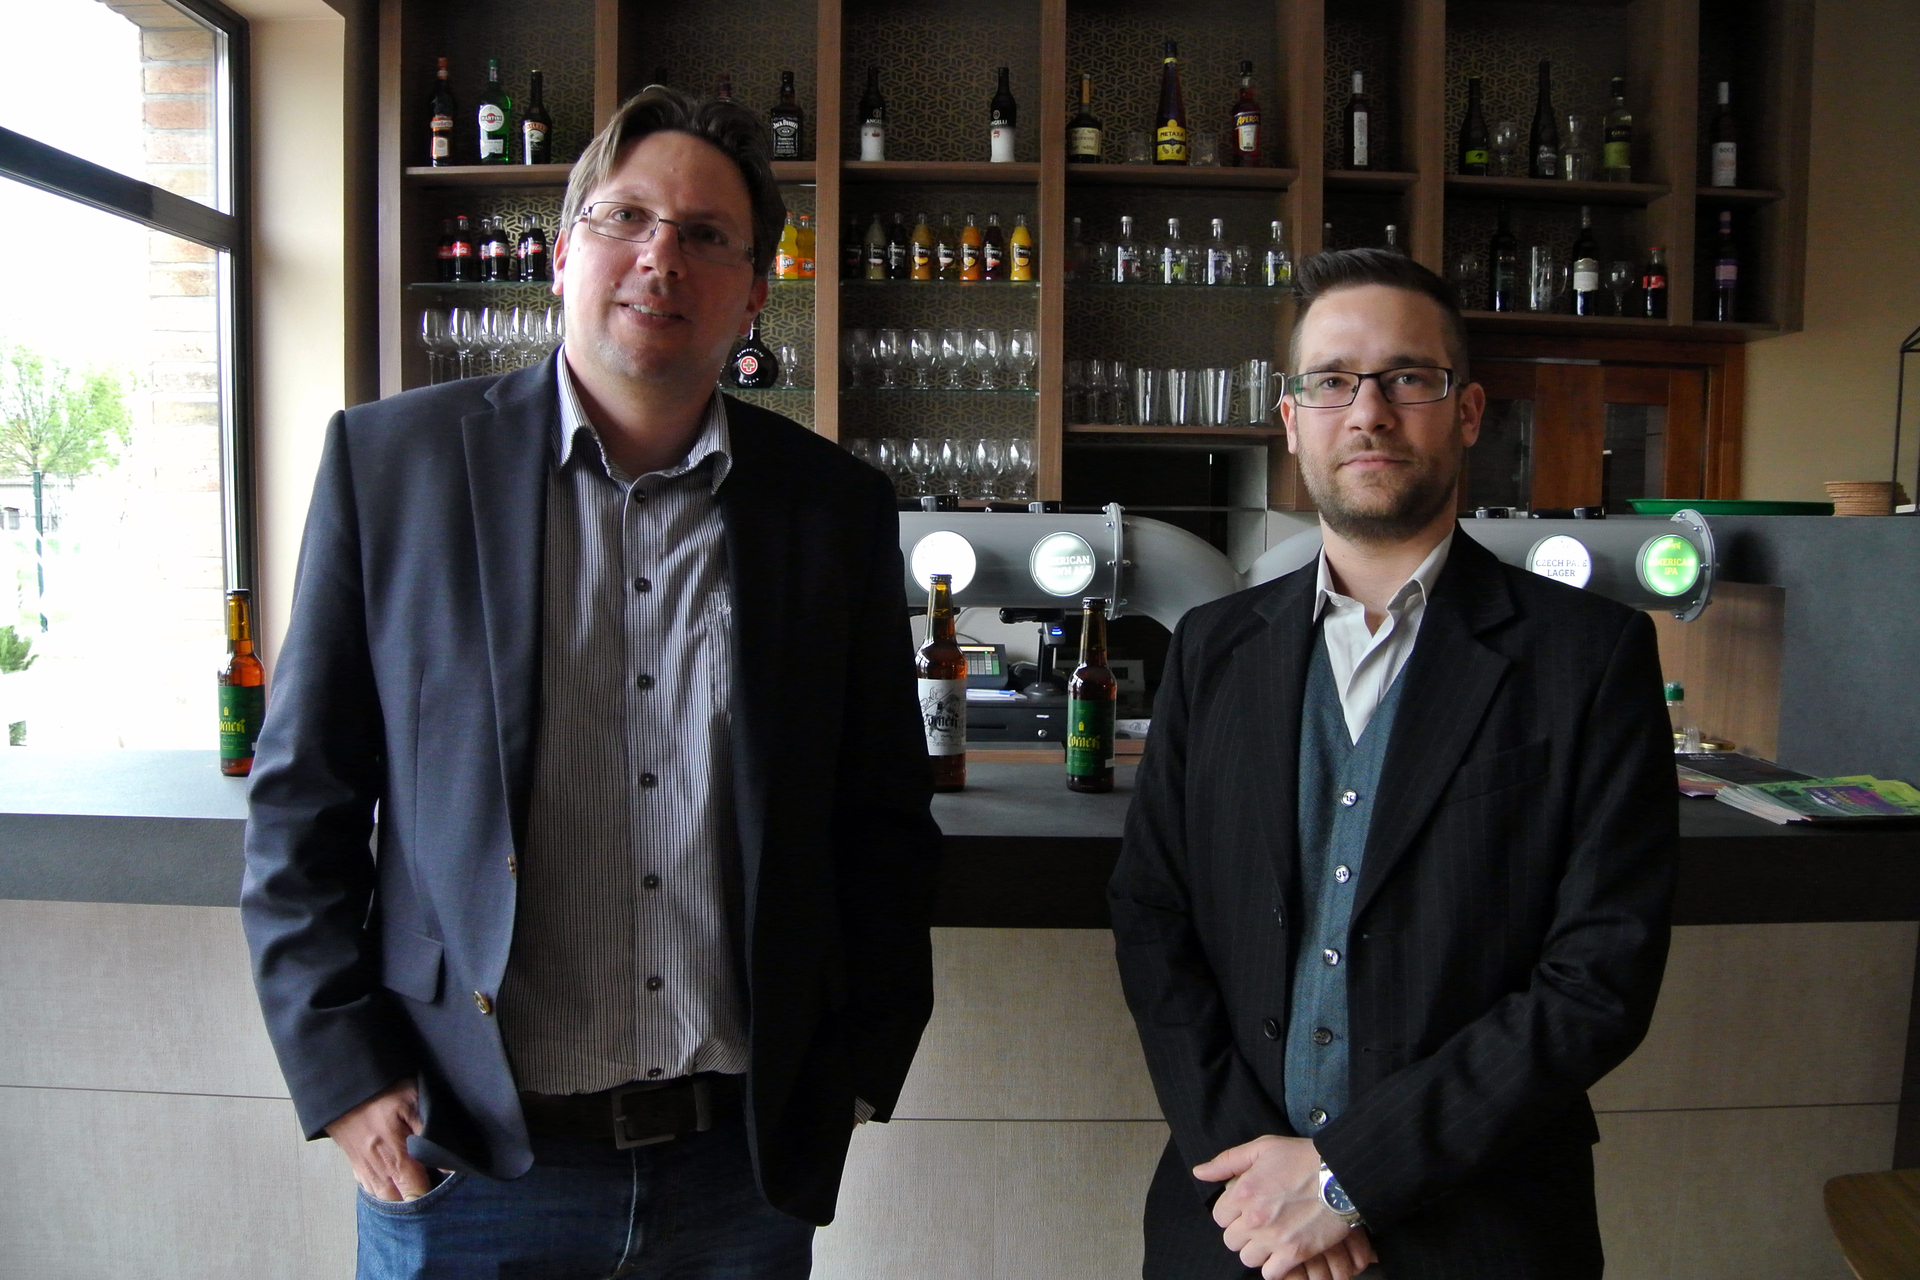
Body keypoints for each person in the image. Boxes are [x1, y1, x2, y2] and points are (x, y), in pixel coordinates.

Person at [242, 87, 941, 1278]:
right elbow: (304, 794)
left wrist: (861, 1063)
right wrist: (343, 1069)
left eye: (707, 234)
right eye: (627, 217)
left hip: (737, 1169)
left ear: (756, 292)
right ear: (563, 253)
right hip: (469, 1154)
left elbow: (880, 811)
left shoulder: (832, 507)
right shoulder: (392, 465)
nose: (662, 257)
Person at [1110, 249, 1676, 1279]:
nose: (1367, 412)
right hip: (1232, 1224)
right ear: (1292, 421)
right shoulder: (1211, 648)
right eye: (1331, 381)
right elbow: (1154, 912)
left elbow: (1599, 977)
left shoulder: (1590, 656)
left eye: (1407, 377)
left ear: (1468, 412)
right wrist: (1257, 1182)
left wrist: (1346, 1180)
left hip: (1483, 1229)